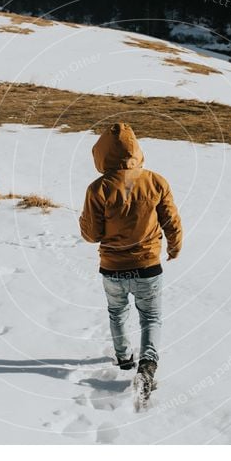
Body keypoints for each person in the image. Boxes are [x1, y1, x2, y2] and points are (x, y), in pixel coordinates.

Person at [79, 122, 182, 391]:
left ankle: (124, 359)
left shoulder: (98, 188)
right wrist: (174, 246)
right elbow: (171, 219)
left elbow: (91, 234)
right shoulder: (156, 181)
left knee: (117, 312)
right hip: (148, 266)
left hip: (112, 267)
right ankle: (147, 365)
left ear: (102, 154)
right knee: (150, 317)